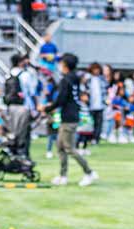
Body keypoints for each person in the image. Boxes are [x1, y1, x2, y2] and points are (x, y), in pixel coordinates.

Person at [43, 53, 98, 187]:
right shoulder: (74, 78)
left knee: (69, 148)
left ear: (65, 65)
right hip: (70, 115)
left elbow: (61, 99)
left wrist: (47, 108)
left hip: (68, 117)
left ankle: (89, 172)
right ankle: (63, 175)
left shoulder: (66, 80)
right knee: (60, 146)